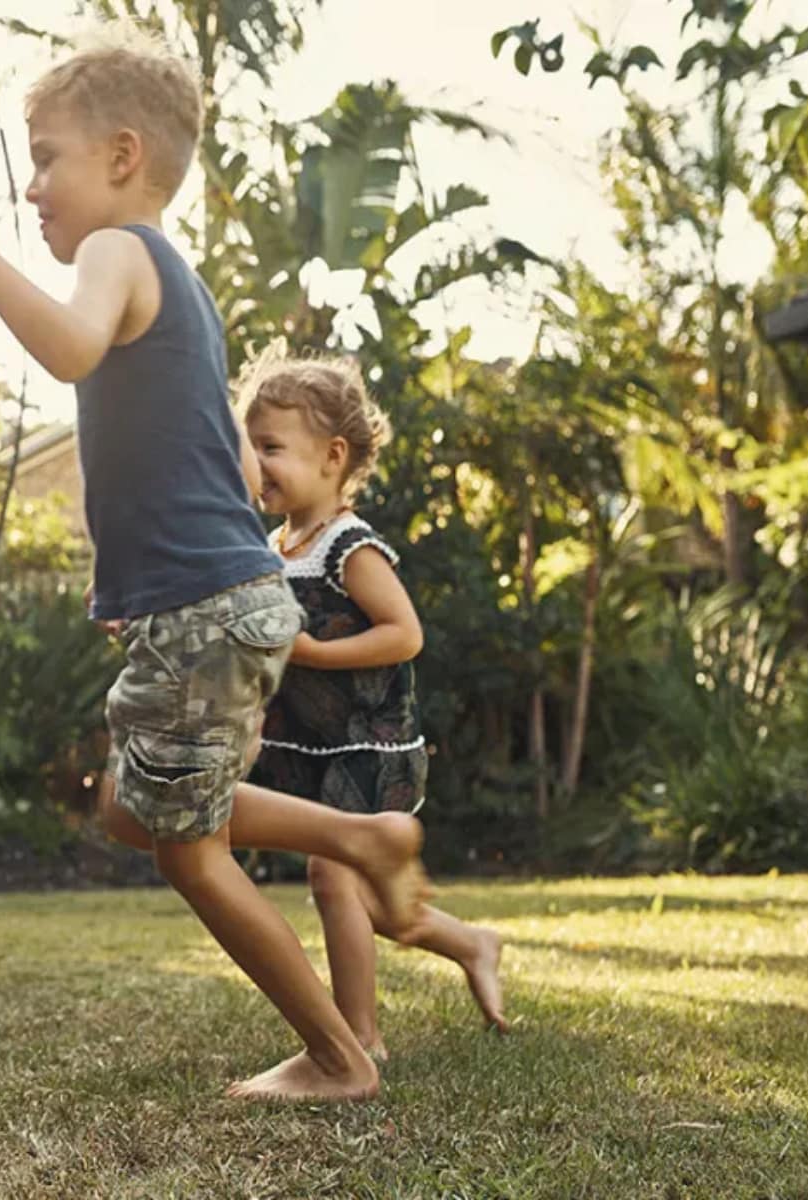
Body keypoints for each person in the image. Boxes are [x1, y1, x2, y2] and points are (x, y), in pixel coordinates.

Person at [0, 27, 430, 1103]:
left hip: (210, 604)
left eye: (46, 157)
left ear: (121, 156)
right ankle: (363, 835)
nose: (31, 188)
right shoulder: (174, 280)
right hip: (211, 598)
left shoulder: (119, 250)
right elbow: (180, 460)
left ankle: (339, 1059)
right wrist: (138, 591)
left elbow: (67, 348)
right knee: (133, 805)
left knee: (184, 850)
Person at [240, 347, 507, 1059]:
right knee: (369, 900)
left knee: (333, 875)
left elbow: (405, 634)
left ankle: (360, 1036)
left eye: (271, 447)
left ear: (332, 456)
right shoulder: (274, 545)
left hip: (366, 743)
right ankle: (472, 943)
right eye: (249, 446)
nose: (254, 462)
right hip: (304, 744)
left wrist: (318, 654)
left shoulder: (349, 547)